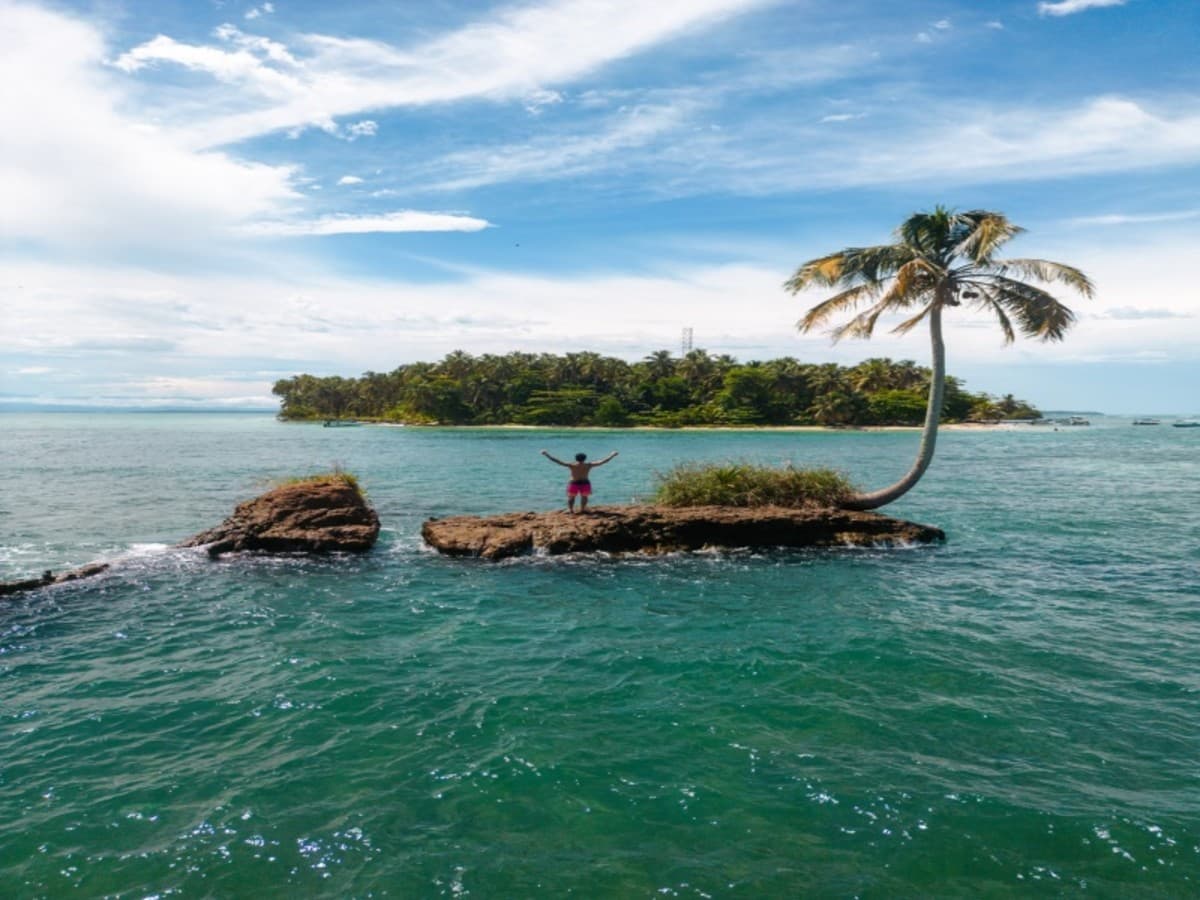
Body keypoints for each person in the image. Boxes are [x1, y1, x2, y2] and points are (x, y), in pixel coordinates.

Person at [540, 449, 618, 513]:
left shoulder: (572, 465)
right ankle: (582, 509)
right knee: (584, 497)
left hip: (574, 483)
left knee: (571, 497)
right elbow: (603, 461)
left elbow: (557, 461)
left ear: (576, 458)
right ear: (585, 459)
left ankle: (571, 510)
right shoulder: (588, 465)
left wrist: (546, 454)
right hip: (585, 483)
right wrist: (612, 455)